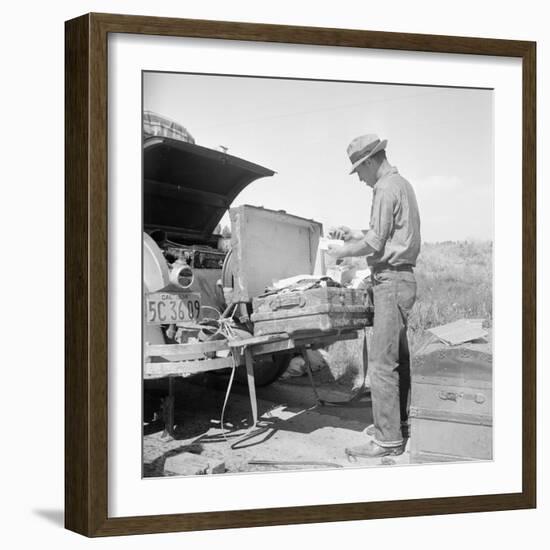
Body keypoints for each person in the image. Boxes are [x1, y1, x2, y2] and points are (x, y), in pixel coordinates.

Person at [327, 134, 421, 458]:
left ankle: (386, 440)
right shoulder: (401, 184)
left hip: (390, 282)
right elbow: (386, 233)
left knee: (382, 364)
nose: (361, 180)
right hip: (403, 280)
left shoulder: (384, 188)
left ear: (369, 161)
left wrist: (342, 251)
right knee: (399, 360)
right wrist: (355, 234)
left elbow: (375, 244)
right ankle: (400, 425)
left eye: (359, 172)